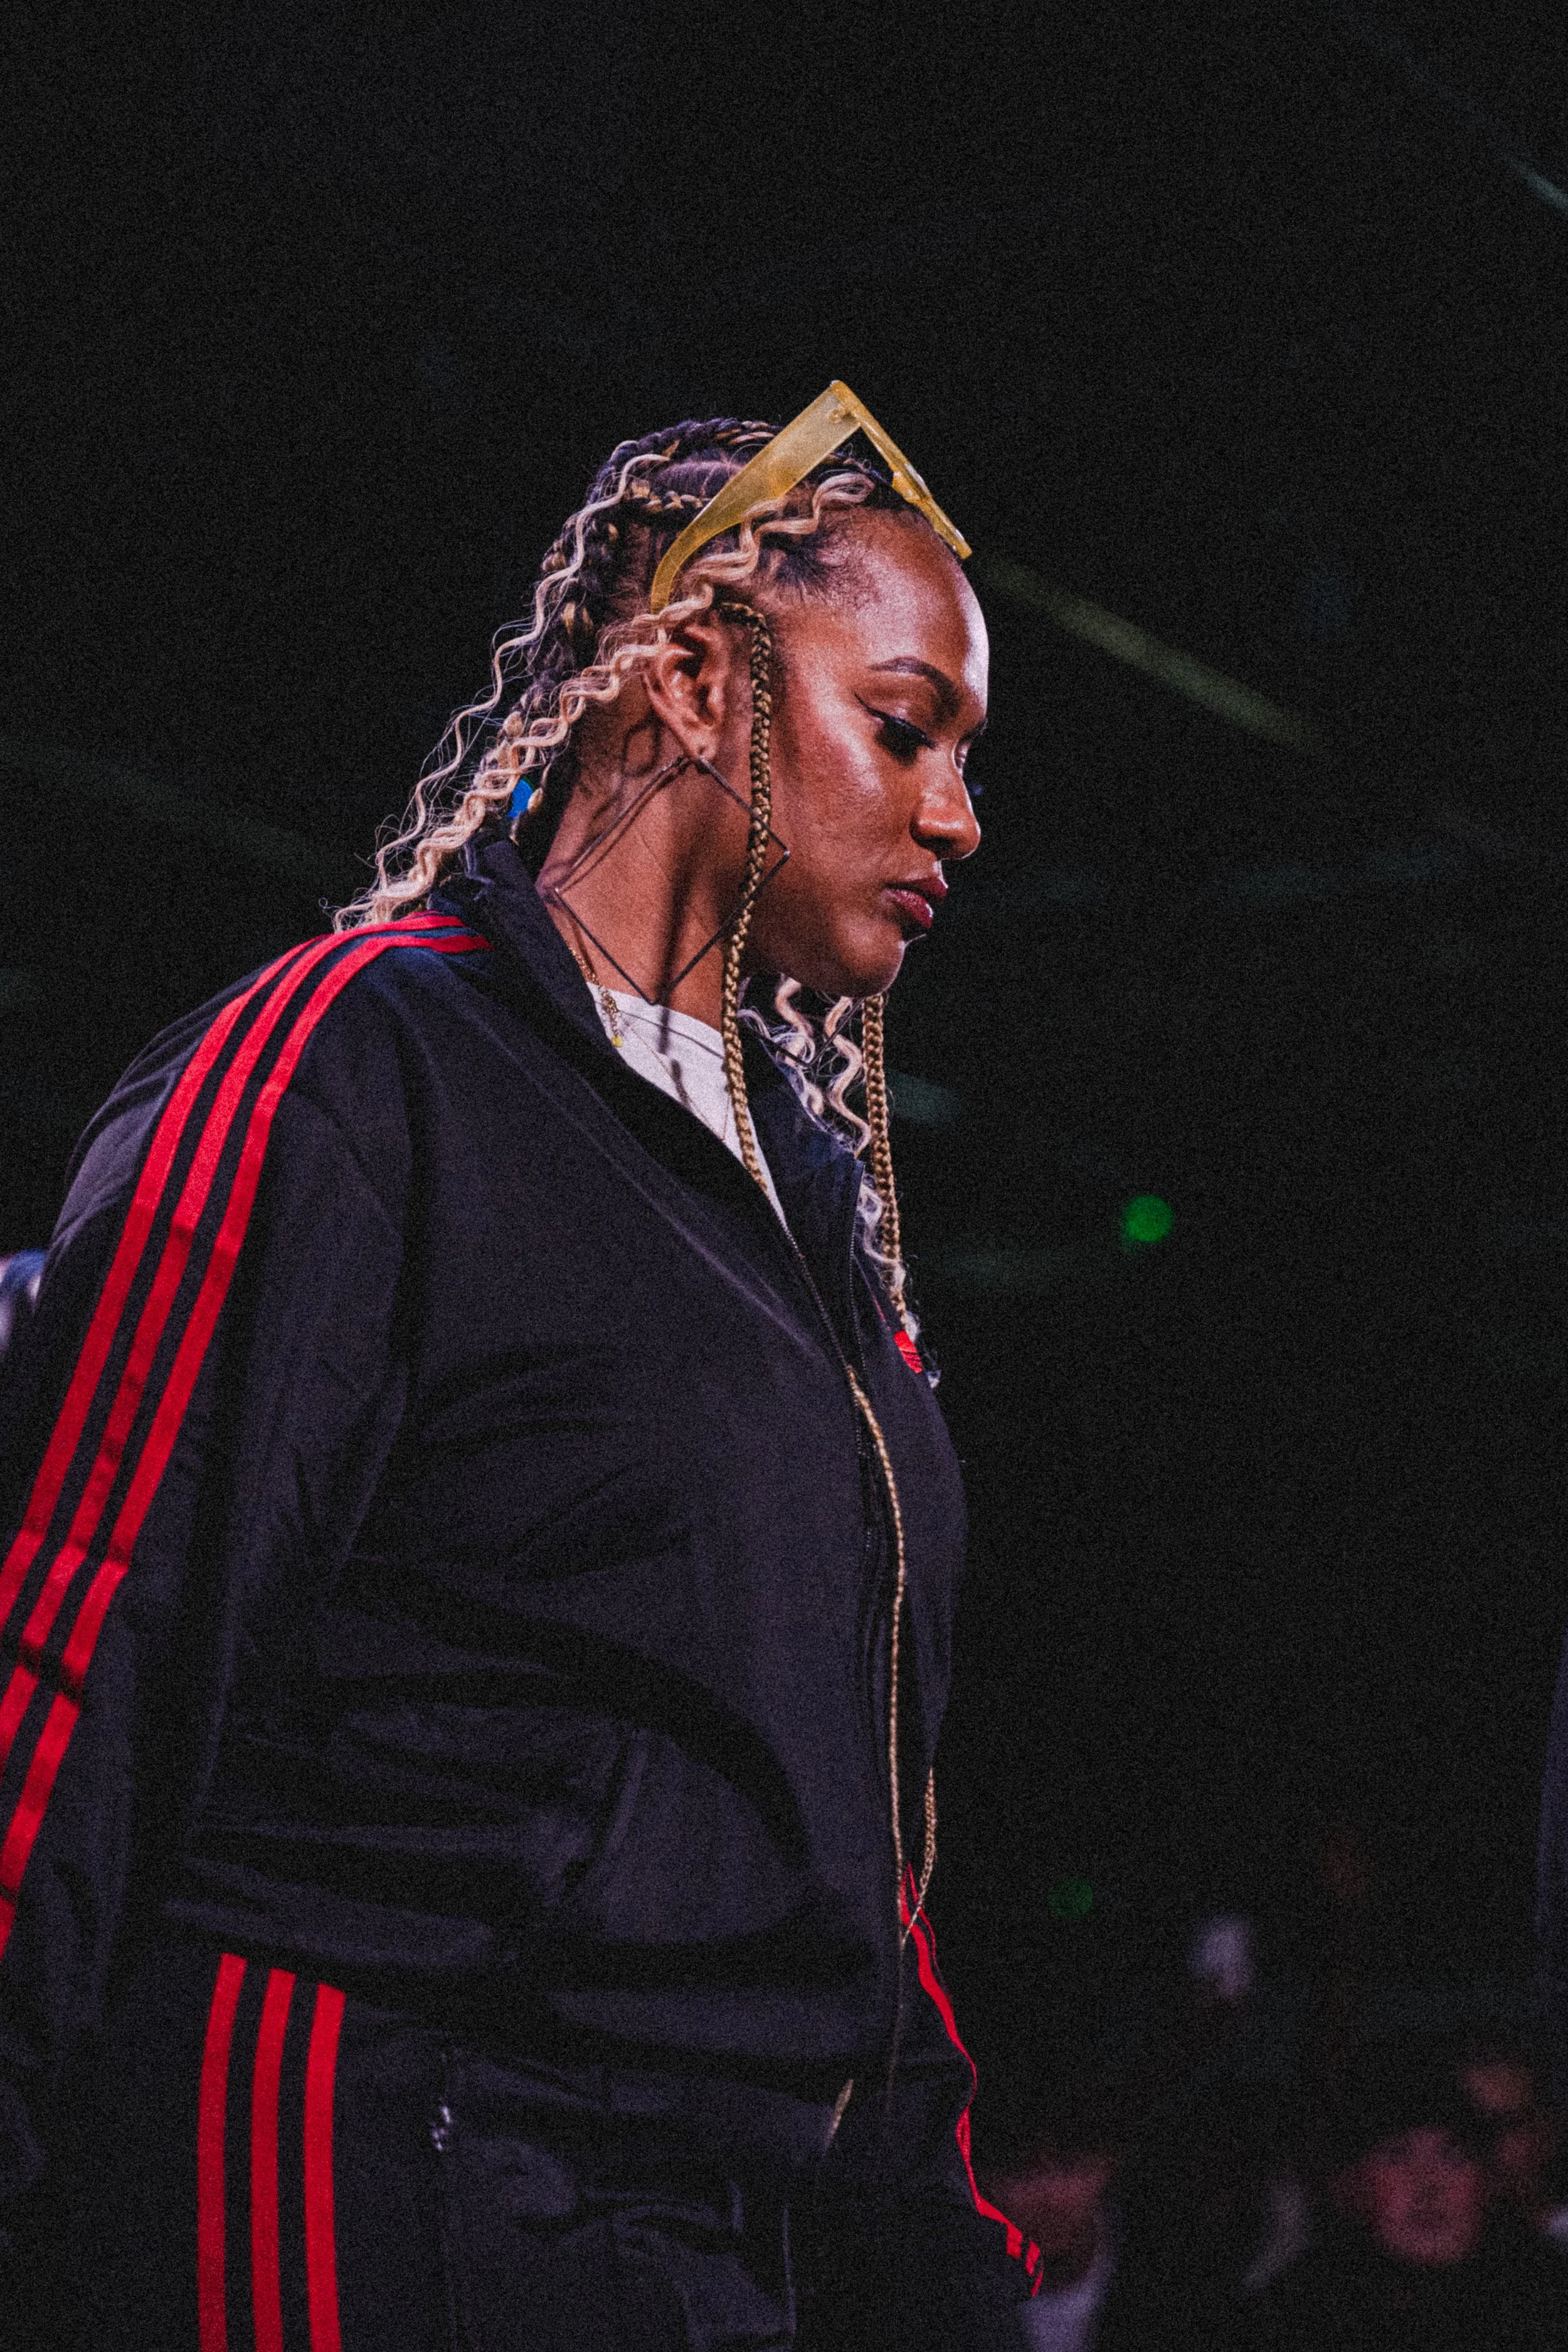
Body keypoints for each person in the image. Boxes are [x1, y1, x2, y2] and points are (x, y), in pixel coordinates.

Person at [0, 387, 1033, 2349]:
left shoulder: (817, 1248)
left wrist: (941, 2276)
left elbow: (843, 1860)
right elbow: (72, 1650)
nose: (955, 815)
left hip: (694, 2233)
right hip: (360, 2164)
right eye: (902, 726)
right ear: (693, 679)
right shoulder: (359, 1064)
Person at [1244, 2048, 1568, 2351]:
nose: (1428, 2183)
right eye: (1397, 2155)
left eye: (1453, 2156)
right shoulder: (1295, 2313)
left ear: (1488, 2180)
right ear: (1352, 2183)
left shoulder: (1546, 2300)